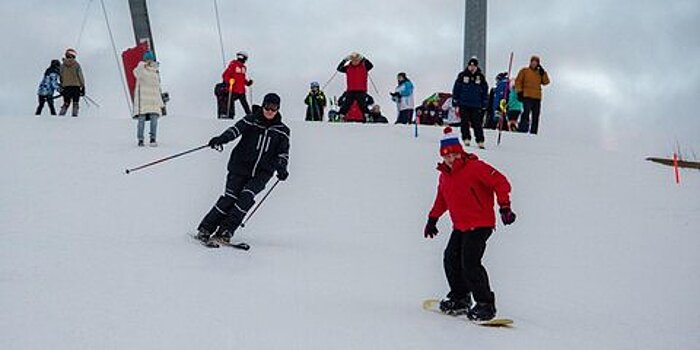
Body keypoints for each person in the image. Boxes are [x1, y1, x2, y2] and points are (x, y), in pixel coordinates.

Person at [424, 127, 516, 321]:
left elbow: (500, 182)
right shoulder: (445, 175)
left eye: (455, 154)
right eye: (447, 155)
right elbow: (442, 199)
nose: (451, 159)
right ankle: (460, 297)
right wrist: (433, 219)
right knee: (450, 258)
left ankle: (485, 304)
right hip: (460, 225)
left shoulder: (475, 168)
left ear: (461, 152)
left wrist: (504, 207)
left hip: (481, 224)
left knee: (470, 263)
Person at [195, 93, 290, 246]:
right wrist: (221, 139)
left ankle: (226, 230)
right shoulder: (251, 120)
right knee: (230, 198)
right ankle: (206, 228)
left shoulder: (283, 130)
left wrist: (282, 167)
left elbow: (283, 152)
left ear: (278, 109)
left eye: (274, 108)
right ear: (263, 105)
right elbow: (235, 130)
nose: (270, 111)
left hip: (262, 172)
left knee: (246, 198)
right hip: (239, 166)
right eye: (267, 107)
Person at [451, 57, 489, 149]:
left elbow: (485, 90)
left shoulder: (480, 77)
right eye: (470, 65)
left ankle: (480, 140)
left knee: (477, 123)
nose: (472, 67)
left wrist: (484, 101)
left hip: (476, 104)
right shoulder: (462, 76)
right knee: (464, 122)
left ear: (476, 67)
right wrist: (455, 99)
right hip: (463, 103)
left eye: (474, 66)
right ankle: (466, 138)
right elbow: (457, 87)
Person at [132, 51, 165, 147]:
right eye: (147, 59)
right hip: (143, 100)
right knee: (141, 120)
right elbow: (136, 73)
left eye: (150, 59)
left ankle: (153, 138)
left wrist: (160, 103)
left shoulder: (155, 71)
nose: (149, 61)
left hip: (153, 101)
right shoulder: (141, 69)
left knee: (154, 120)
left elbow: (157, 88)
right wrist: (142, 65)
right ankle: (140, 139)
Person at [514, 55, 550, 134]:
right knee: (526, 113)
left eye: (536, 62)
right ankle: (522, 129)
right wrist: (519, 92)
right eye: (533, 62)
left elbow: (546, 82)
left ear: (538, 64)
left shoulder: (540, 73)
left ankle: (534, 132)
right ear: (530, 62)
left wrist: (543, 73)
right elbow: (518, 81)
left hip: (537, 97)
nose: (534, 64)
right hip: (527, 96)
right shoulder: (524, 71)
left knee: (536, 115)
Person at [336, 52, 373, 119]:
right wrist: (344, 60)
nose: (355, 62)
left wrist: (363, 58)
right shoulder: (348, 68)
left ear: (359, 60)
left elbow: (370, 65)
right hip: (351, 90)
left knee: (363, 105)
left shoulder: (364, 67)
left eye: (357, 60)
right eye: (353, 60)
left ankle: (367, 117)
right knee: (346, 104)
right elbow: (339, 68)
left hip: (361, 90)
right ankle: (341, 116)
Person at [220, 51, 254, 119]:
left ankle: (250, 116)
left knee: (244, 103)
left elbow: (242, 78)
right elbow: (225, 75)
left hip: (241, 90)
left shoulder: (244, 68)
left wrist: (248, 83)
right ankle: (230, 115)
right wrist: (229, 81)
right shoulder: (233, 65)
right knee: (230, 102)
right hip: (233, 89)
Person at [58, 48, 85, 117]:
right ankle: (74, 117)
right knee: (75, 103)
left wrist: (62, 85)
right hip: (76, 87)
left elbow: (61, 76)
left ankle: (60, 116)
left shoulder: (62, 65)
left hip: (66, 87)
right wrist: (83, 86)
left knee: (66, 103)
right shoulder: (76, 64)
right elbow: (80, 76)